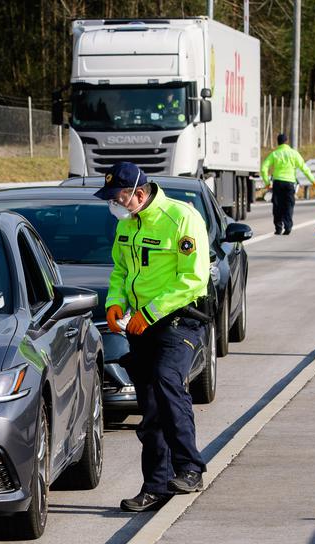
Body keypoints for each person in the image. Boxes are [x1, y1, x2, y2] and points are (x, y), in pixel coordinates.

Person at [98, 161, 210, 513]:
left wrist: (149, 314)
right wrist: (114, 302)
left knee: (167, 382)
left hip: (178, 320)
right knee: (148, 406)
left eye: (118, 197)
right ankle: (155, 486)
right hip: (138, 325)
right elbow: (120, 270)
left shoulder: (182, 218)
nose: (114, 204)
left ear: (139, 194)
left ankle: (190, 469)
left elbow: (193, 280)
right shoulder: (127, 224)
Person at [260, 133, 315, 235]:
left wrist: (267, 182)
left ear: (278, 143)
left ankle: (278, 228)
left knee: (277, 205)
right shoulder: (294, 153)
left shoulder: (275, 154)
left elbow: (264, 168)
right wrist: (313, 180)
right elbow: (304, 167)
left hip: (277, 183)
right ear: (286, 142)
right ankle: (288, 227)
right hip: (290, 183)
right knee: (288, 205)